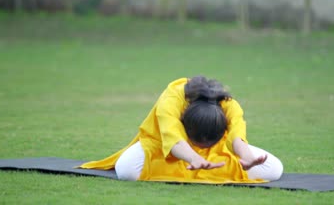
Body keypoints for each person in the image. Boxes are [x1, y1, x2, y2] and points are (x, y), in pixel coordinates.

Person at [80, 76, 283, 183]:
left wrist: (246, 157)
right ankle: (205, 171)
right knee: (125, 170)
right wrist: (193, 158)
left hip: (215, 154)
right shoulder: (172, 99)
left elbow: (237, 133)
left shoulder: (228, 104)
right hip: (161, 148)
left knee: (274, 168)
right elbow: (171, 135)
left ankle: (204, 167)